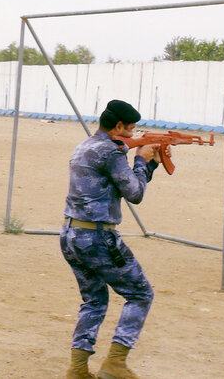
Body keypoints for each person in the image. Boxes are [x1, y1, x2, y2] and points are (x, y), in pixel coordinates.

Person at [61, 100, 165, 379]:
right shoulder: (112, 151)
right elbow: (134, 193)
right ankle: (115, 363)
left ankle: (78, 369)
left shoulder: (85, 145)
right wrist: (142, 160)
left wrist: (147, 164)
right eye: (130, 129)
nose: (133, 134)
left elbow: (120, 185)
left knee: (94, 301)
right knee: (140, 294)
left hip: (71, 235)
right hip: (97, 237)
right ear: (118, 126)